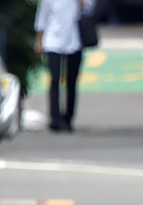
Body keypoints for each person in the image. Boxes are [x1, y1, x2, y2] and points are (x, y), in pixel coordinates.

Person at [34, 0, 93, 132]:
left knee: (71, 82)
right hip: (52, 40)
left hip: (74, 40)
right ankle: (55, 118)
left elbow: (89, 8)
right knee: (55, 80)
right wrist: (39, 40)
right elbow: (42, 17)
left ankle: (68, 119)